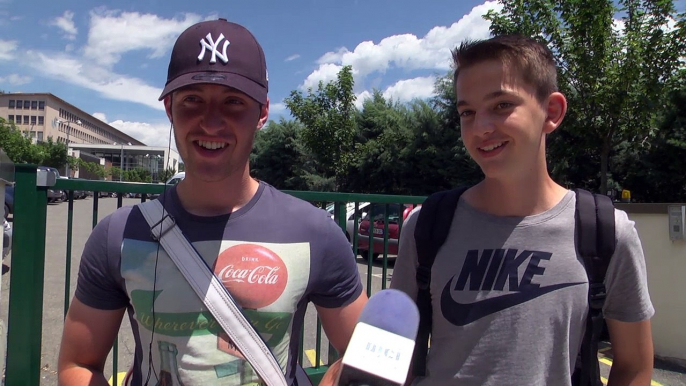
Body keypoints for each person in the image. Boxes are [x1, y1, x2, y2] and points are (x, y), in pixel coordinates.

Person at [58, 18, 367, 386]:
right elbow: (78, 365)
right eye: (193, 100)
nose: (211, 122)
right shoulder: (119, 236)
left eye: (233, 102)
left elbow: (366, 352)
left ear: (262, 113)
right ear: (170, 108)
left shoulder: (313, 232)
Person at [390, 35, 655, 386]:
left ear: (552, 112)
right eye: (467, 112)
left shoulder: (605, 232)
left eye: (501, 105)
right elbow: (393, 348)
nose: (481, 127)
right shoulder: (427, 226)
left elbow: (634, 367)